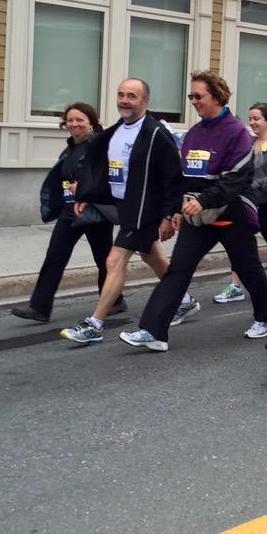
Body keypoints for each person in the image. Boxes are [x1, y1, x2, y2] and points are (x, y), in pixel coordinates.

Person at [119, 72, 267, 352]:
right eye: (191, 96)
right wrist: (174, 211)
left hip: (232, 215)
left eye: (198, 96)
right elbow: (181, 177)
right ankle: (153, 331)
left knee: (247, 267)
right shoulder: (194, 133)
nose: (193, 101)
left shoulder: (237, 132)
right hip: (198, 216)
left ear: (216, 97)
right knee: (178, 270)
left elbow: (236, 178)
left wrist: (204, 199)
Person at [60, 78, 182, 345]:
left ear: (145, 102)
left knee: (114, 261)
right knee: (152, 257)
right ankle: (182, 299)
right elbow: (105, 170)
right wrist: (87, 195)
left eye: (132, 96)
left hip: (145, 209)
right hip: (125, 207)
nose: (124, 101)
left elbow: (173, 175)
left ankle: (95, 325)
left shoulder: (155, 133)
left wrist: (170, 214)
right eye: (121, 95)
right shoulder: (115, 132)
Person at [12, 103, 126, 323]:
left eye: (80, 120)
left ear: (91, 123)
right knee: (55, 256)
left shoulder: (100, 146)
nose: (74, 124)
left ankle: (115, 300)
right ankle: (40, 307)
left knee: (104, 259)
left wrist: (85, 189)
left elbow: (108, 176)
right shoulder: (71, 147)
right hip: (69, 211)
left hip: (94, 212)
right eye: (70, 120)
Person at [212, 102, 267, 306]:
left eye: (256, 118)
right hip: (249, 203)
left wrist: (252, 185)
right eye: (250, 119)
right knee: (238, 242)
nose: (252, 122)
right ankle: (236, 287)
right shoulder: (249, 143)